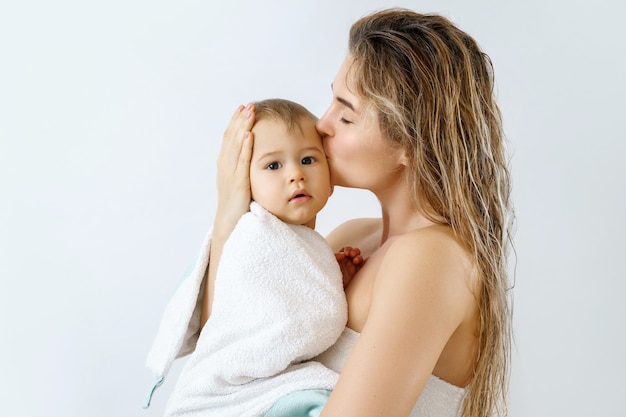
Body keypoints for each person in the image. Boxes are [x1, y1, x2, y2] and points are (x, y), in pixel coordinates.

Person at [207, 8, 515, 417]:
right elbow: (228, 347)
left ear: (410, 143)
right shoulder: (352, 238)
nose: (322, 125)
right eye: (330, 101)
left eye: (346, 114)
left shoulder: (431, 259)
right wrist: (230, 210)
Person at [144, 98, 364, 416]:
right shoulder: (252, 236)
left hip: (273, 386)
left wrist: (329, 276)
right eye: (274, 165)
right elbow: (241, 317)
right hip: (234, 390)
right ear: (245, 182)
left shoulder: (302, 242)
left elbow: (289, 299)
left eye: (308, 160)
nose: (295, 175)